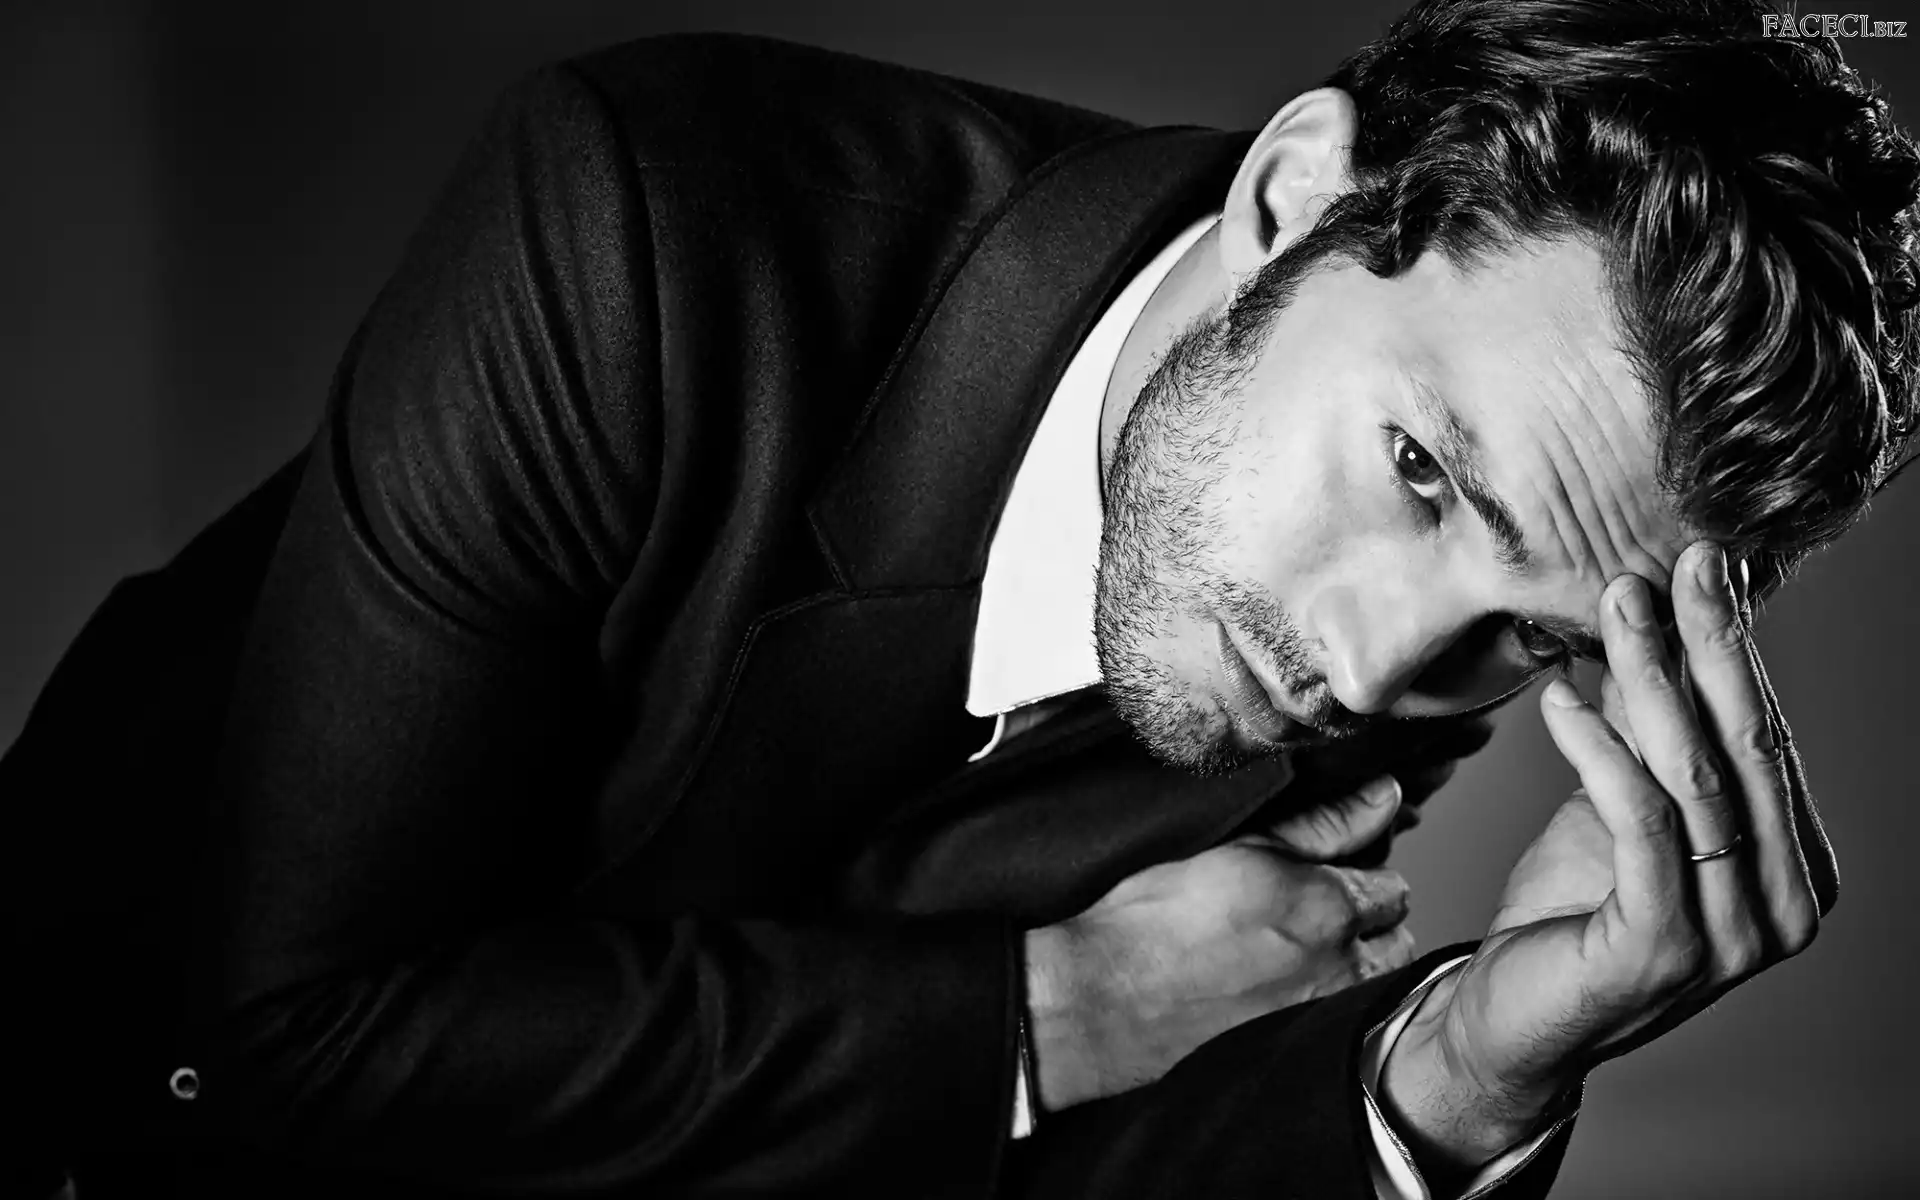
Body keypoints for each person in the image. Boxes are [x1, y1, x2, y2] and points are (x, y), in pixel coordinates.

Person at [3, 0, 1911, 1195]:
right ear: (1290, 200)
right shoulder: (644, 234)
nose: (1371, 666)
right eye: (1419, 471)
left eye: (1537, 633)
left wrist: (1468, 1072)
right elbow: (287, 1043)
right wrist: (1044, 1009)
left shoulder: (1382, 639)